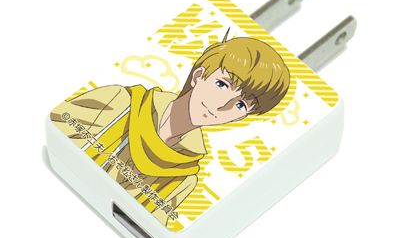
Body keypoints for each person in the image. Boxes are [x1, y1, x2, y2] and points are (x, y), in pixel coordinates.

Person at [51, 30, 290, 225]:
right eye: (221, 84)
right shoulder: (121, 101)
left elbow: (150, 223)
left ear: (241, 117)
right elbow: (59, 124)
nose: (222, 105)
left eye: (240, 105)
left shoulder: (185, 175)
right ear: (198, 75)